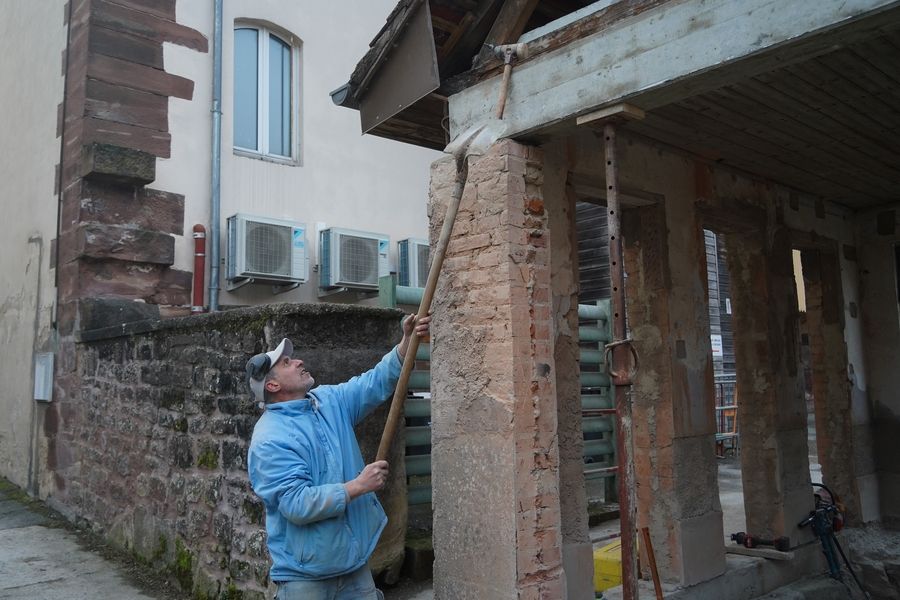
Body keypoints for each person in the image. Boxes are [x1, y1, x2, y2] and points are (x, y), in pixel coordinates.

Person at [245, 314, 430, 600]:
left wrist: (406, 342)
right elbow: (297, 504)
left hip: (353, 562)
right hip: (306, 578)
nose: (298, 361)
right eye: (287, 363)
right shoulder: (270, 438)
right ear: (272, 386)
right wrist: (359, 486)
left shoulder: (328, 402)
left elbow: (374, 382)